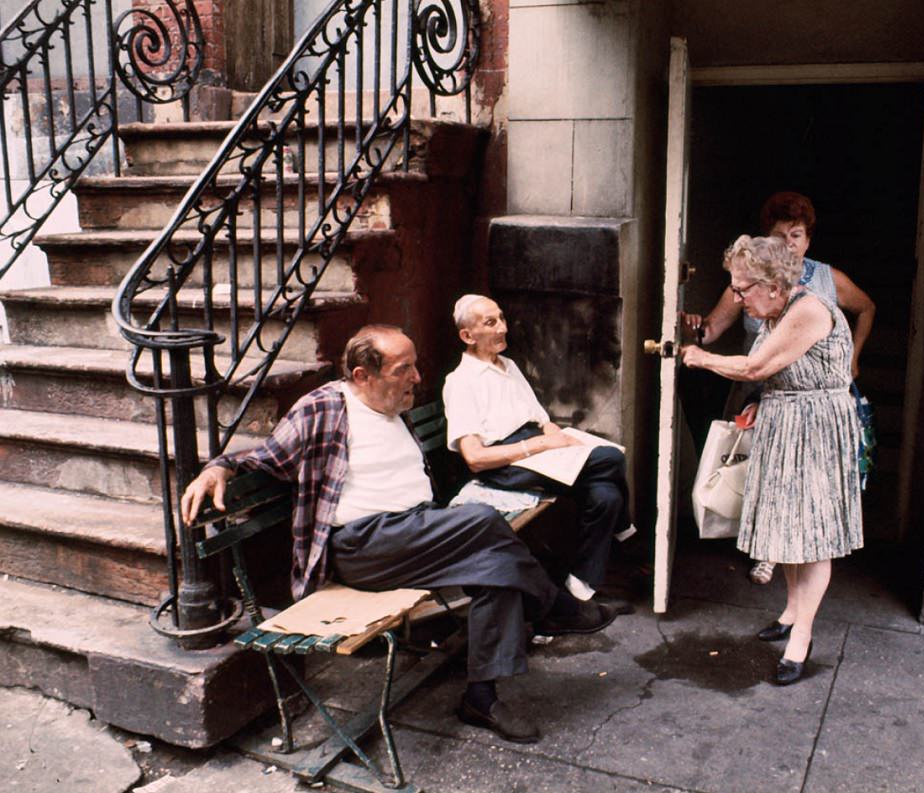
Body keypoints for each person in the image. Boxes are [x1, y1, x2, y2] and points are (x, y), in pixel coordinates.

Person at [180, 325, 616, 744]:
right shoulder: (324, 407)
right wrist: (217, 468)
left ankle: (481, 699)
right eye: (403, 369)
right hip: (364, 546)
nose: (417, 378)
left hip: (416, 532)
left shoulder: (391, 405)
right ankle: (555, 606)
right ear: (361, 376)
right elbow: (264, 456)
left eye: (414, 366)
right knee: (483, 521)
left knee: (495, 571)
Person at [681, 236, 863, 686]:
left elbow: (755, 367)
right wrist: (761, 403)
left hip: (816, 430)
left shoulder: (809, 310)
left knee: (813, 534)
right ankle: (790, 612)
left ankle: (802, 637)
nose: (737, 298)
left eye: (742, 289)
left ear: (774, 286)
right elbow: (780, 374)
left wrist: (700, 357)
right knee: (787, 528)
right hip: (785, 423)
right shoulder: (776, 312)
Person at [683, 192, 874, 586]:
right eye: (779, 235)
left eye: (796, 235)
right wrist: (694, 331)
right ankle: (776, 568)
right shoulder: (763, 296)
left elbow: (757, 364)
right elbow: (718, 332)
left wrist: (854, 357)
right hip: (770, 397)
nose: (787, 243)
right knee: (778, 498)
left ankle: (796, 611)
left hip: (809, 414)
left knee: (811, 517)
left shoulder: (813, 297)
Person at [442, 294, 636, 614]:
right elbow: (475, 458)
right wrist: (541, 446)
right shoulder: (461, 382)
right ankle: (624, 530)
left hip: (534, 450)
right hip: (505, 464)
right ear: (468, 335)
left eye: (502, 318)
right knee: (611, 459)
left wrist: (553, 434)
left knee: (606, 496)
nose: (503, 327)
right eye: (491, 323)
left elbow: (540, 418)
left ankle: (580, 588)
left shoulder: (508, 366)